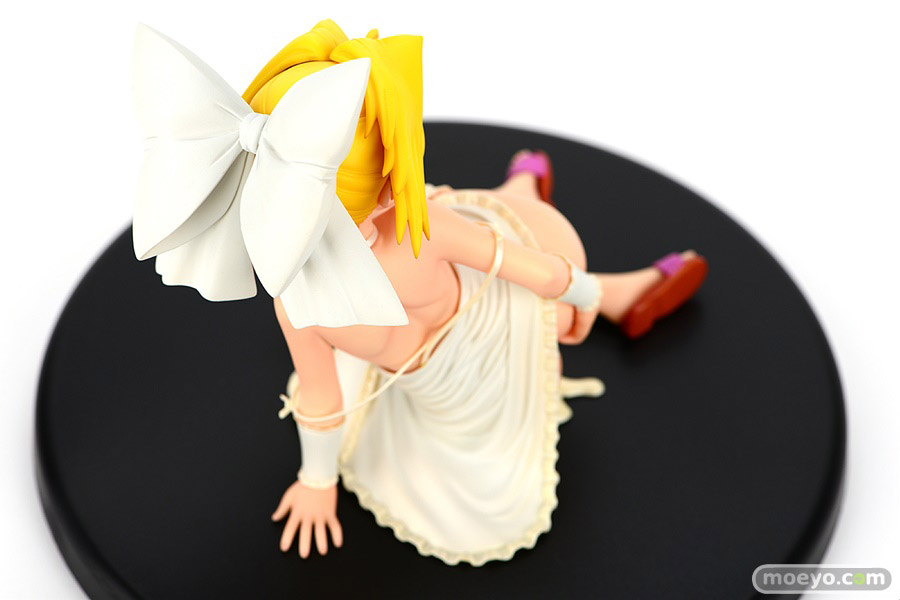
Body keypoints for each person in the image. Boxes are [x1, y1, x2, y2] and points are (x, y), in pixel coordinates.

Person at [132, 20, 708, 567]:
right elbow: (322, 397)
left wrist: (584, 292)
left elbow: (525, 267)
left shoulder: (400, 242)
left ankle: (604, 279)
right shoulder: (307, 289)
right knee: (480, 236)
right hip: (441, 368)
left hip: (493, 312)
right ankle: (532, 194)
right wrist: (316, 480)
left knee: (536, 301)